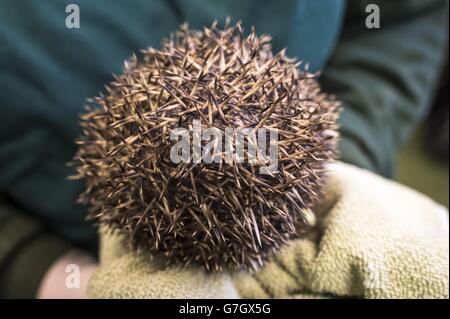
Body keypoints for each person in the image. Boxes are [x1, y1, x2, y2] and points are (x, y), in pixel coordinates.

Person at [0, 0, 447, 298]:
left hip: (299, 193)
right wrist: (36, 265)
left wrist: (354, 150)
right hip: (75, 240)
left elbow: (400, 17)